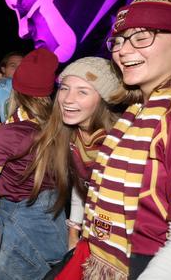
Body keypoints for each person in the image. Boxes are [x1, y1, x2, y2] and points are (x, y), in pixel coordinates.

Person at [75, 0, 171, 279]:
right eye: (120, 40)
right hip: (117, 258)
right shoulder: (133, 115)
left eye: (142, 36)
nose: (123, 50)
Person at [0, 48, 67, 279]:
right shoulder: (59, 122)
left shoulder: (9, 133)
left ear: (16, 89)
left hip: (22, 217)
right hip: (52, 212)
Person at [31, 57, 122, 251]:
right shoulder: (71, 135)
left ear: (104, 99)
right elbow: (82, 185)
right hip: (92, 227)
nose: (68, 99)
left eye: (82, 91)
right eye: (64, 88)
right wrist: (73, 230)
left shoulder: (120, 141)